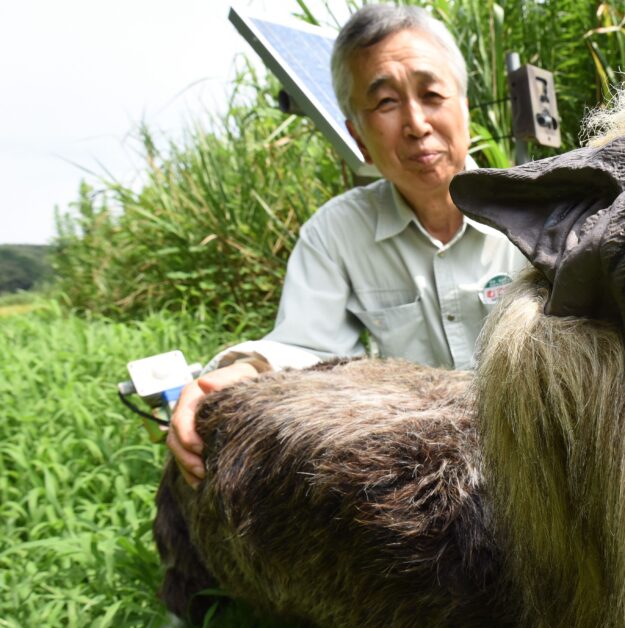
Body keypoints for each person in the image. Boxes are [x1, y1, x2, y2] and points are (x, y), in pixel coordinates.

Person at [167, 5, 526, 486]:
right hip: (427, 486)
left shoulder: (539, 213)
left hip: (538, 466)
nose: (417, 123)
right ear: (357, 136)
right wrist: (237, 375)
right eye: (385, 104)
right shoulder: (336, 233)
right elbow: (304, 348)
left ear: (464, 106)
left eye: (432, 93)